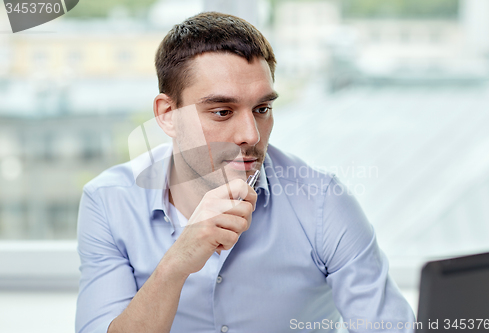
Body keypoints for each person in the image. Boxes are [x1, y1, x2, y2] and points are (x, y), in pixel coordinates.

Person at [76, 12, 415, 333]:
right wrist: (177, 261)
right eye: (222, 111)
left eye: (262, 108)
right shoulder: (109, 201)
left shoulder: (323, 201)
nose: (251, 135)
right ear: (168, 114)